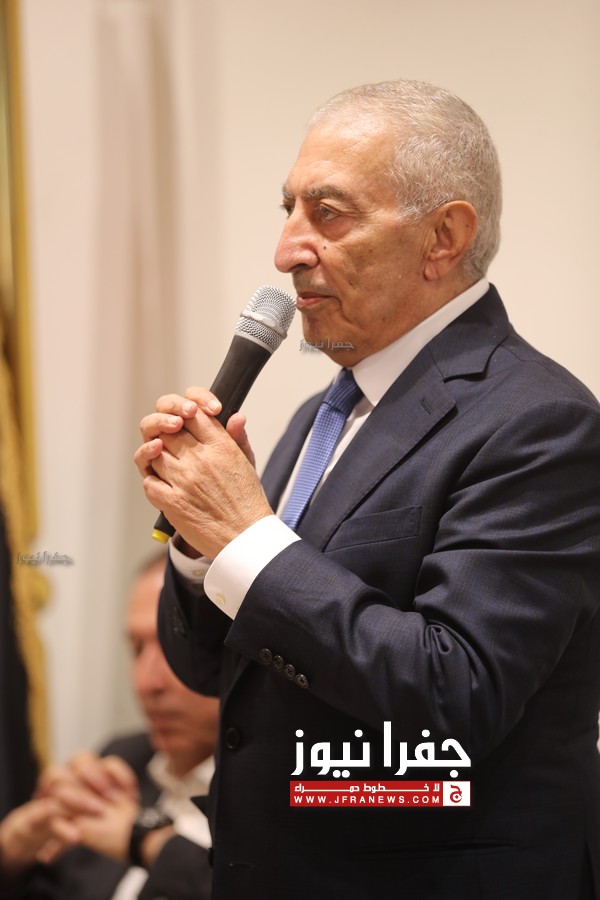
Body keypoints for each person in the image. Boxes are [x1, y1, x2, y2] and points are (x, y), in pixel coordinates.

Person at [134, 80, 600, 899]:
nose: (286, 250)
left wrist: (246, 537)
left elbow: (454, 694)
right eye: (288, 210)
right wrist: (200, 541)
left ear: (444, 236)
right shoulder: (321, 414)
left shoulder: (540, 422)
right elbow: (215, 672)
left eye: (328, 214)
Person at [0, 554, 218, 900]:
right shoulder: (124, 761)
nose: (147, 683)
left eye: (174, 647)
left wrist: (145, 839)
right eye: (136, 649)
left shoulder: (294, 783)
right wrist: (13, 851)